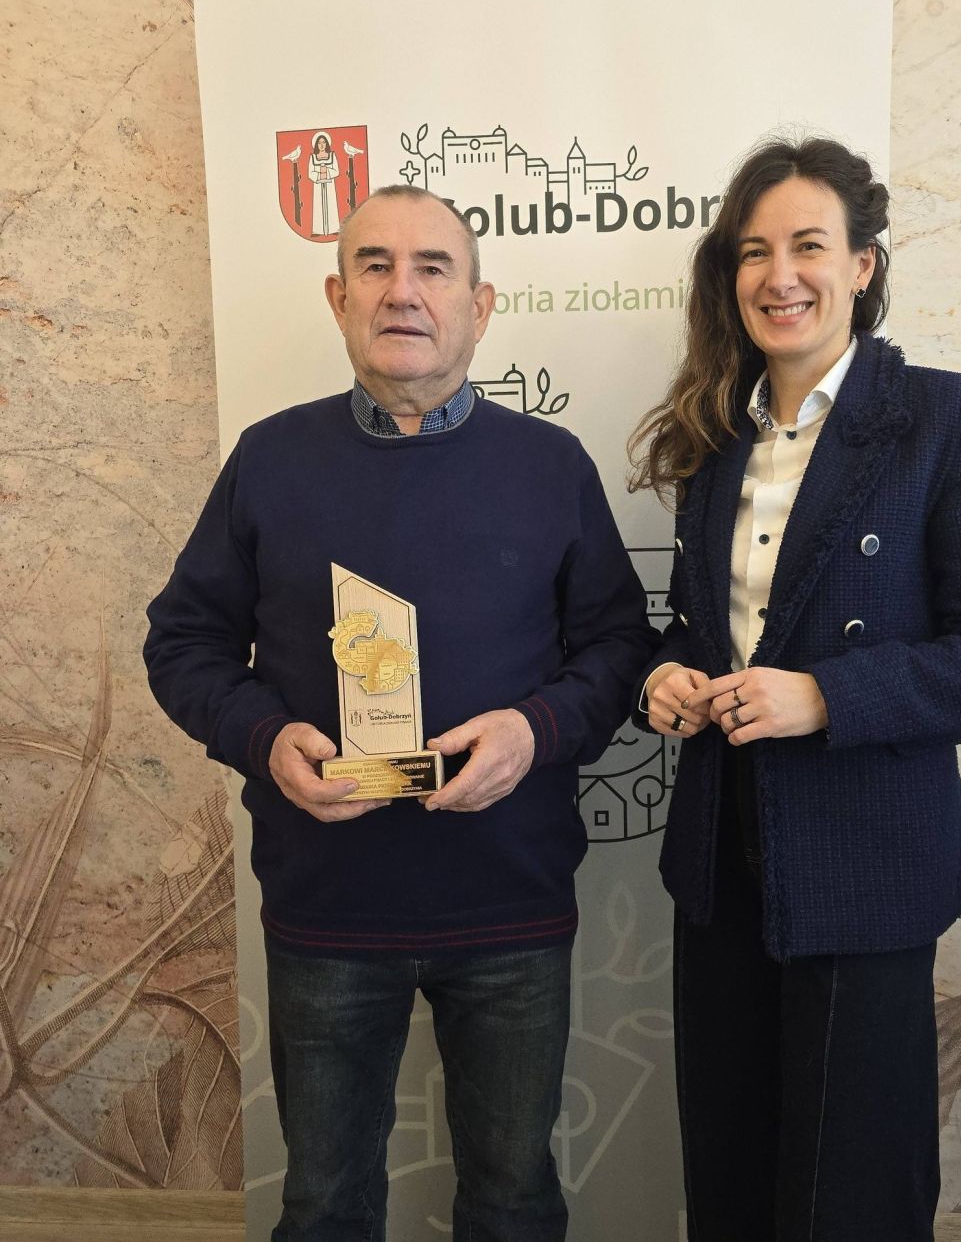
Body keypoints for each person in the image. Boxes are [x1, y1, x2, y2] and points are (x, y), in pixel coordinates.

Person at [145, 184, 657, 1242]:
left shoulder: (551, 466)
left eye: (433, 268)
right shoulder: (270, 460)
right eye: (374, 265)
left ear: (481, 304)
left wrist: (534, 731)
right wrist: (263, 737)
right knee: (324, 1204)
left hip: (510, 908)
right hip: (328, 910)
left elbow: (618, 651)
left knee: (514, 1201)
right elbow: (183, 643)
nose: (402, 291)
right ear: (338, 298)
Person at [628, 137, 961, 1242]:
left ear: (863, 263)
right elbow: (691, 626)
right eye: (753, 251)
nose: (781, 276)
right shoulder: (715, 437)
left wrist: (824, 696)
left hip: (865, 858)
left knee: (850, 1190)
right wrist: (663, 674)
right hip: (720, 856)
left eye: (809, 245)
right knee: (729, 1176)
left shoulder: (949, 419)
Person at [308, 131, 340, 237]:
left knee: (331, 205)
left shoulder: (332, 156)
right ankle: (318, 230)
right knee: (318, 207)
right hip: (318, 186)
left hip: (330, 185)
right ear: (316, 144)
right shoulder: (313, 157)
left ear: (327, 143)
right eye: (319, 143)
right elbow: (310, 173)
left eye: (323, 142)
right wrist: (320, 175)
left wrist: (325, 171)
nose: (321, 145)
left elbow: (336, 171)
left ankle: (333, 229)